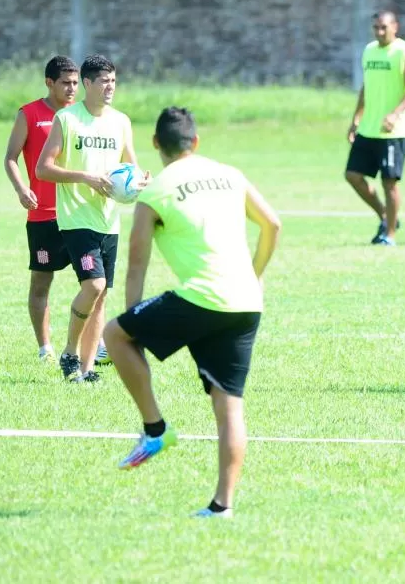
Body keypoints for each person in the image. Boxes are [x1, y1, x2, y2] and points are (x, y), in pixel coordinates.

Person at [102, 107, 281, 519]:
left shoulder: (154, 191)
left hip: (202, 298)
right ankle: (222, 506)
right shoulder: (230, 174)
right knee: (229, 407)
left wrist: (134, 323)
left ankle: (155, 429)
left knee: (114, 335)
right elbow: (273, 224)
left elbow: (136, 262)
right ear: (195, 142)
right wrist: (254, 276)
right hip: (245, 302)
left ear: (155, 147)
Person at [36, 54, 139, 382]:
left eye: (114, 81)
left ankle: (86, 367)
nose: (110, 87)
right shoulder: (67, 119)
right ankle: (69, 351)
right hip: (76, 217)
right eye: (104, 81)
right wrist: (87, 178)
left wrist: (139, 182)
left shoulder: (121, 121)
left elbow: (131, 166)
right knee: (93, 285)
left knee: (102, 293)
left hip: (109, 219)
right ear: (88, 84)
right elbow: (43, 168)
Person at [2, 56, 79, 362]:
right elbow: (10, 157)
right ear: (49, 83)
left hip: (78, 213)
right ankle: (45, 348)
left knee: (93, 282)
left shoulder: (82, 115)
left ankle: (88, 342)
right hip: (43, 215)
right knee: (41, 281)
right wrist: (22, 189)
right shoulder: (30, 113)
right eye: (66, 83)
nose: (72, 89)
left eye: (75, 83)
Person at [345, 10, 405, 246]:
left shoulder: (404, 51)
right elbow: (367, 87)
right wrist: (356, 118)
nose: (379, 32)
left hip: (393, 131)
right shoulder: (369, 51)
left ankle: (390, 235)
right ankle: (386, 216)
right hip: (368, 127)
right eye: (376, 27)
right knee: (353, 175)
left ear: (395, 27)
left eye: (384, 27)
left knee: (389, 183)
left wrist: (394, 114)